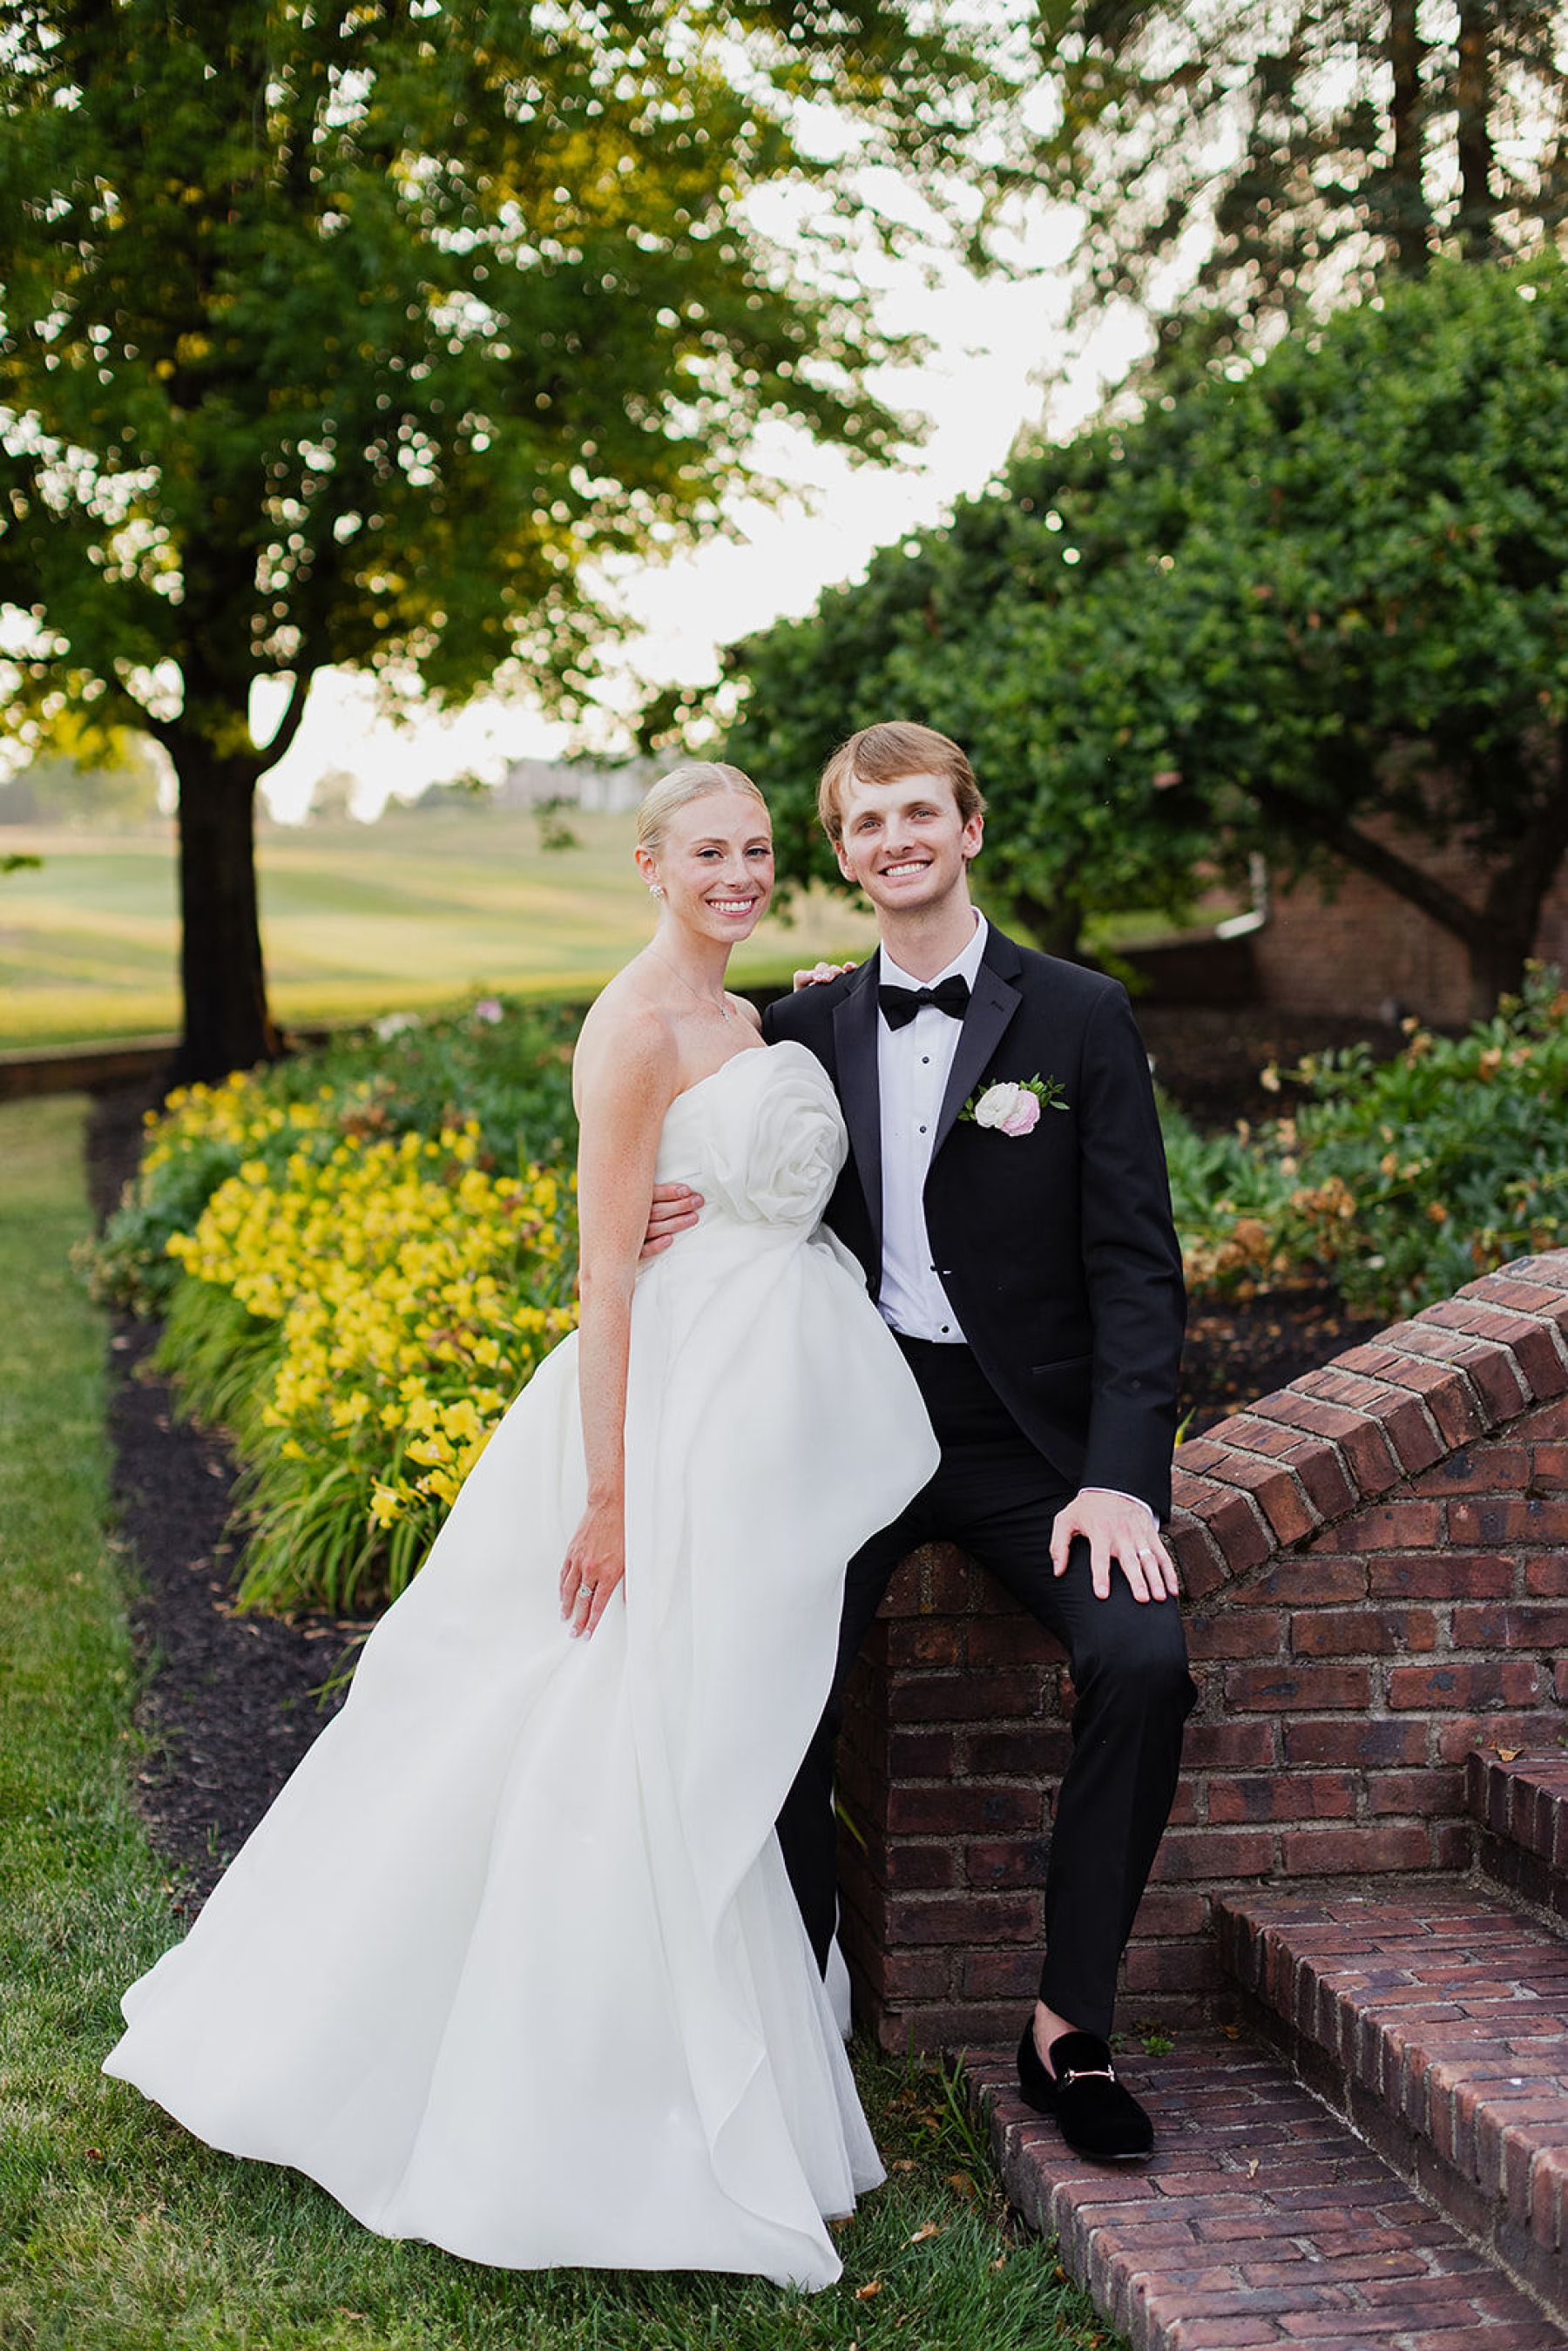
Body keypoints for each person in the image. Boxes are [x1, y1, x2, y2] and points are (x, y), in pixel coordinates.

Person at [103, 763, 940, 2291]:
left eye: (757, 851)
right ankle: (573, 2111)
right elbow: (606, 1277)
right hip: (670, 1420)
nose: (738, 874)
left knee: (705, 1732)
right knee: (613, 1725)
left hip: (773, 1409)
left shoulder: (762, 1015)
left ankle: (701, 2073)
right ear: (650, 864)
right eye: (708, 853)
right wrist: (611, 1500)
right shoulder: (628, 1029)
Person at [644, 721, 1193, 2164]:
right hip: (847, 1421)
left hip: (1029, 1447)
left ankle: (1067, 2033)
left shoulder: (1080, 1015)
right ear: (843, 854)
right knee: (764, 1672)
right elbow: (689, 1140)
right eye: (866, 823)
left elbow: (1140, 1268)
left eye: (919, 815)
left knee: (1143, 1660)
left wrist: (1123, 1478)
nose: (895, 841)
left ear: (969, 830)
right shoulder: (809, 1023)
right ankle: (802, 2000)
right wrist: (651, 1212)